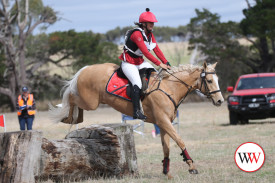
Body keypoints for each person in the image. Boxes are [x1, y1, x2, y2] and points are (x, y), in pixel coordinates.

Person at [119, 8, 171, 120]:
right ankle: (136, 111)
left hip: (139, 62)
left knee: (156, 74)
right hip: (128, 64)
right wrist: (159, 63)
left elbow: (156, 49)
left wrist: (165, 61)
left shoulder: (150, 34)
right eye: (150, 23)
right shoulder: (137, 34)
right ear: (143, 23)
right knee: (137, 82)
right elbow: (147, 53)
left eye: (153, 23)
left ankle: (153, 102)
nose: (153, 25)